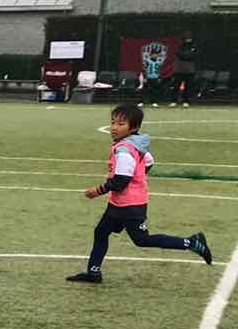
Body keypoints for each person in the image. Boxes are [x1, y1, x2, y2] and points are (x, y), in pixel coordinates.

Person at [65, 103, 214, 284]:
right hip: (119, 203)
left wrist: (96, 191)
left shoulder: (124, 150)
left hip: (130, 206)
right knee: (101, 231)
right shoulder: (136, 144)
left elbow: (120, 181)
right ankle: (93, 272)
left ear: (133, 127)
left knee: (142, 240)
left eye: (121, 124)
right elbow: (149, 162)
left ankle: (192, 243)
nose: (114, 128)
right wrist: (137, 178)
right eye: (113, 122)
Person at [174, 34, 198, 108]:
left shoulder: (194, 46)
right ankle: (174, 101)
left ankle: (186, 101)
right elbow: (179, 54)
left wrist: (187, 55)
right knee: (176, 85)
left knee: (188, 86)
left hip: (190, 70)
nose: (188, 40)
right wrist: (188, 54)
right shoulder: (180, 46)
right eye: (187, 38)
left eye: (189, 38)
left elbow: (194, 55)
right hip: (179, 69)